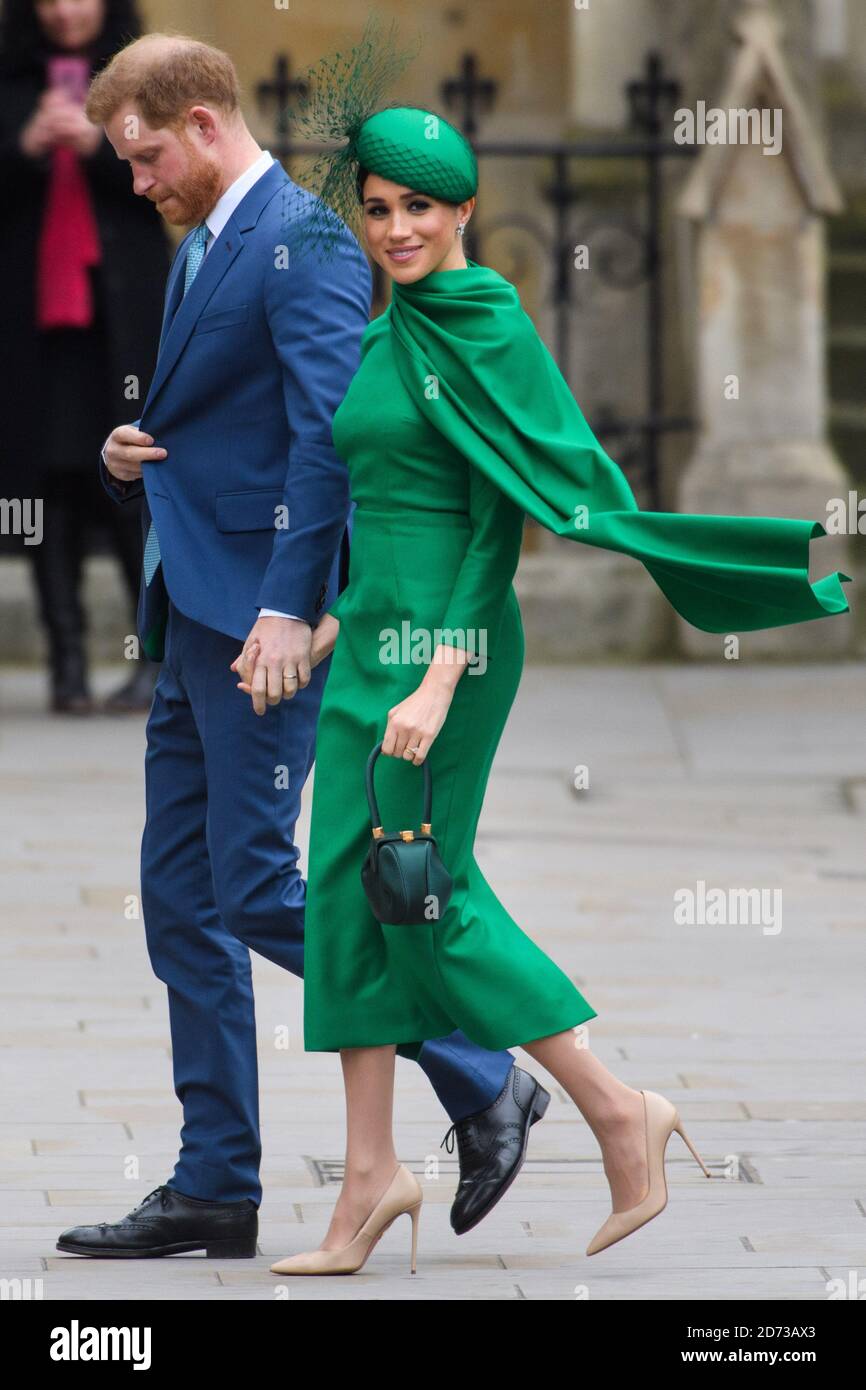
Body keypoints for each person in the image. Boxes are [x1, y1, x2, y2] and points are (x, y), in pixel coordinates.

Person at [246, 101, 849, 1275]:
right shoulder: (393, 327)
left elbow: (491, 525)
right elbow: (381, 510)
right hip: (372, 640)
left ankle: (616, 1106)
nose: (394, 228)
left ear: (464, 208)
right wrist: (328, 628)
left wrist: (434, 676)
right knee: (343, 894)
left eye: (417, 206)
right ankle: (368, 1178)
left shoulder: (486, 323)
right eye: (375, 210)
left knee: (425, 888)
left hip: (447, 647)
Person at [54, 29, 560, 1263]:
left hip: (264, 632)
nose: (136, 181)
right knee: (183, 900)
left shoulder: (308, 244)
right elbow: (224, 420)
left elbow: (327, 442)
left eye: (144, 156)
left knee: (265, 886)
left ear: (207, 123)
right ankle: (215, 1182)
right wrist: (134, 455)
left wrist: (290, 609)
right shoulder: (204, 248)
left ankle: (486, 1072)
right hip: (193, 616)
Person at [0, 0, 170, 713]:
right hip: (35, 322)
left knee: (134, 477)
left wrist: (99, 149)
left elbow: (175, 184)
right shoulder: (10, 78)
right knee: (46, 486)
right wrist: (24, 145)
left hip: (118, 317)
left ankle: (150, 657)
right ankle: (64, 661)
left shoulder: (144, 79)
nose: (67, 11)